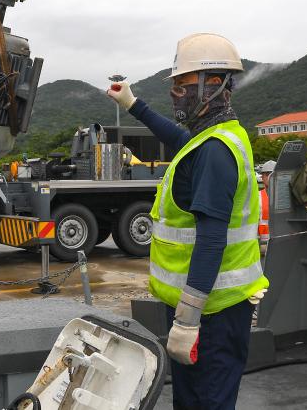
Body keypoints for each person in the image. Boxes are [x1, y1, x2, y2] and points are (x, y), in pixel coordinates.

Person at [107, 33, 269, 410]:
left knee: (207, 402)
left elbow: (212, 241)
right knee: (191, 400)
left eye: (182, 84)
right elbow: (179, 136)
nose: (176, 93)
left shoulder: (215, 151)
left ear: (213, 85)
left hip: (212, 312)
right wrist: (132, 103)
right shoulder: (213, 137)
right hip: (201, 307)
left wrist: (187, 320)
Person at [258, 160, 276, 254]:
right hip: (262, 248)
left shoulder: (287, 197)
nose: (270, 177)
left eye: (272, 174)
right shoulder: (257, 197)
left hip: (280, 246)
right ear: (262, 177)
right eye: (267, 174)